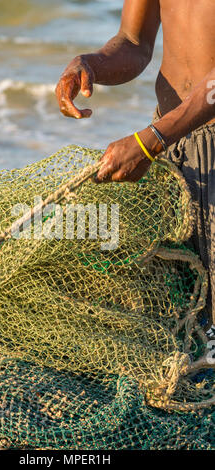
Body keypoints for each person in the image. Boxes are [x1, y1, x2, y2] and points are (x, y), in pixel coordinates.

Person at [55, 0, 215, 332]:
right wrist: (89, 65)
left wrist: (149, 141)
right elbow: (133, 41)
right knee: (182, 295)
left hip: (182, 140)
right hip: (170, 142)